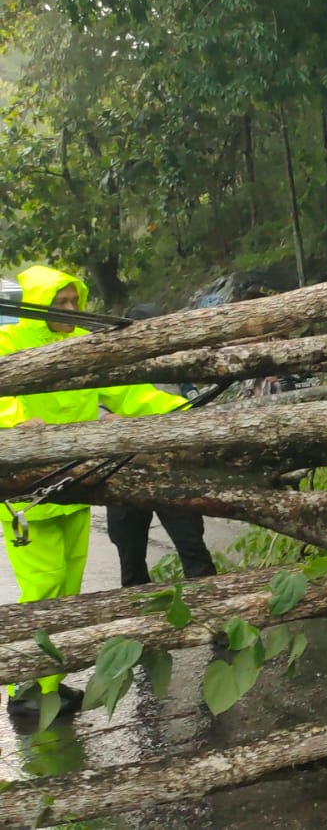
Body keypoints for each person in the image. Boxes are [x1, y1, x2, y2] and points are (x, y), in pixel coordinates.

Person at [1, 267, 191, 719]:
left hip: (74, 486)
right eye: (60, 302)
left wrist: (181, 409)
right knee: (44, 586)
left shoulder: (82, 346)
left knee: (68, 588)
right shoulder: (8, 343)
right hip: (28, 496)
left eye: (74, 301)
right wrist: (17, 420)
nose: (70, 309)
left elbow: (129, 394)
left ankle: (48, 683)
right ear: (38, 305)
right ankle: (24, 686)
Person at [103, 304, 218, 587]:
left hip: (172, 467)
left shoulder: (175, 365)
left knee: (192, 548)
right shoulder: (109, 369)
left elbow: (194, 404)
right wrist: (107, 418)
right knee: (130, 556)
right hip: (124, 468)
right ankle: (138, 612)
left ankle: (209, 606)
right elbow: (92, 407)